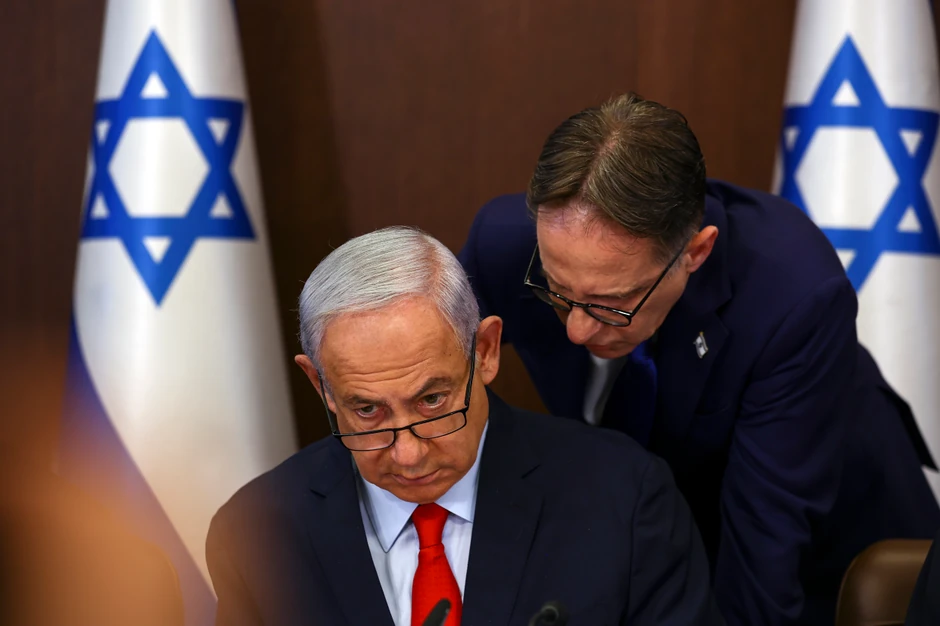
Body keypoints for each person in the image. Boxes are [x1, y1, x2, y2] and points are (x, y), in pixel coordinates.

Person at [458, 92, 940, 626]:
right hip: (664, 534)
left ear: (695, 252)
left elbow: (762, 562)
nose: (577, 329)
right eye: (556, 290)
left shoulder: (793, 296)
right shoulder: (506, 245)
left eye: (612, 303)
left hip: (828, 553)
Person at [206, 226, 723, 626]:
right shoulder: (255, 534)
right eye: (367, 411)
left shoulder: (624, 499)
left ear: (486, 351)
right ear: (319, 384)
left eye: (432, 401)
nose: (408, 454)